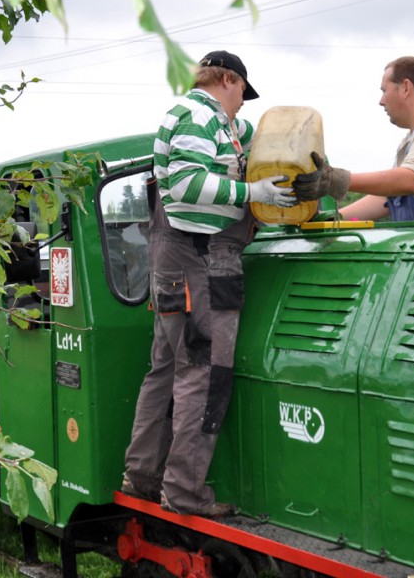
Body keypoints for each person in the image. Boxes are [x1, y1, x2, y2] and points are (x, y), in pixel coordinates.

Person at [121, 50, 295, 518]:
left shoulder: (216, 122)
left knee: (165, 368)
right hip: (201, 258)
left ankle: (143, 475)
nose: (242, 104)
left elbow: (252, 140)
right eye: (242, 93)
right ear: (228, 79)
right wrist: (252, 192)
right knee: (204, 372)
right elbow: (185, 184)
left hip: (174, 257)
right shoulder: (199, 117)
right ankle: (183, 491)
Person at [293, 56, 414, 220]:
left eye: (384, 90)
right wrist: (334, 219)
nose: (381, 101)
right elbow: (389, 197)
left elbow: (410, 181)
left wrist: (336, 179)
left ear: (406, 88)